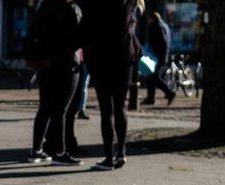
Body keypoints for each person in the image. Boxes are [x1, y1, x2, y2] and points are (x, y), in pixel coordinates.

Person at [26, 0, 83, 165]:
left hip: (46, 62)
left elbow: (34, 33)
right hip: (67, 63)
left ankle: (36, 150)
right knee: (61, 110)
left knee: (45, 107)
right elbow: (79, 36)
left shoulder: (44, 6)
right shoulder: (72, 9)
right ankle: (59, 152)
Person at [85, 0, 139, 171]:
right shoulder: (128, 3)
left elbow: (88, 28)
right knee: (120, 107)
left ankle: (108, 158)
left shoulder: (96, 6)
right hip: (123, 59)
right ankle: (121, 152)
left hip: (102, 58)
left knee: (106, 111)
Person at [144, 11, 176, 105]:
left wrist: (161, 56)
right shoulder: (163, 25)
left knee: (153, 77)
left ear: (152, 18)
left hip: (157, 56)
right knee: (151, 77)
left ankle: (169, 93)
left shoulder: (157, 26)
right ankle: (151, 98)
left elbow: (163, 42)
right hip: (159, 55)